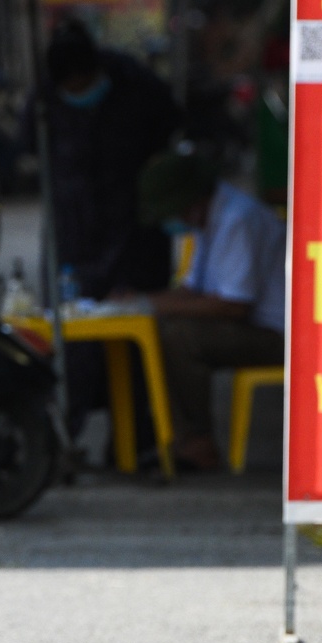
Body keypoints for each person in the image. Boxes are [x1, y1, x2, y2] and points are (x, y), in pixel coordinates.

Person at [136, 149, 285, 473]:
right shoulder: (208, 222)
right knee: (160, 327)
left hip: (277, 333)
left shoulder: (237, 219)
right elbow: (192, 290)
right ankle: (172, 436)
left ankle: (197, 443)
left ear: (191, 202)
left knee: (180, 337)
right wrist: (141, 302)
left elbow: (235, 305)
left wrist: (156, 305)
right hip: (252, 325)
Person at [37, 18, 178, 298]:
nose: (80, 95)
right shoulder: (45, 98)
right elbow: (31, 143)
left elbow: (170, 125)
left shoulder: (137, 83)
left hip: (134, 221)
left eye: (84, 86)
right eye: (72, 91)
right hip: (74, 222)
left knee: (134, 298)